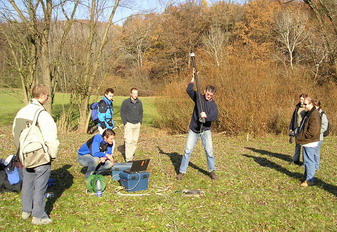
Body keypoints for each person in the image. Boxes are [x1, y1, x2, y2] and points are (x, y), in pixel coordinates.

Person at [12, 84, 60, 225]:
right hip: (40, 155)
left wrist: (21, 151)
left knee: (28, 182)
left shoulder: (21, 112)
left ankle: (26, 210)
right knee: (40, 186)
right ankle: (38, 216)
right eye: (47, 95)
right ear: (43, 95)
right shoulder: (42, 114)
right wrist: (51, 155)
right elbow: (51, 137)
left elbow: (15, 134)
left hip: (25, 154)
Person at [176, 69, 218, 180]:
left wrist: (206, 116)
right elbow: (189, 90)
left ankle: (212, 170)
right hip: (194, 129)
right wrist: (193, 77)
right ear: (205, 91)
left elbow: (214, 117)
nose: (209, 96)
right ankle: (182, 171)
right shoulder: (198, 98)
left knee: (209, 151)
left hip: (205, 130)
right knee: (187, 150)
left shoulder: (213, 105)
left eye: (211, 95)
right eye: (208, 94)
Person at [296, 97, 321, 187]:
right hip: (307, 141)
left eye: (305, 104)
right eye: (303, 104)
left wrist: (303, 136)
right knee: (306, 160)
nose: (304, 106)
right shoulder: (309, 113)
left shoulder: (314, 114)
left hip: (310, 142)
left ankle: (310, 180)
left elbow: (313, 131)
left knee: (309, 161)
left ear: (311, 104)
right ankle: (306, 177)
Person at [120, 88, 143, 162]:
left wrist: (140, 121)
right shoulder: (126, 102)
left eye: (136, 93)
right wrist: (125, 122)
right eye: (134, 93)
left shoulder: (139, 102)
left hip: (137, 124)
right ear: (130, 94)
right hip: (129, 124)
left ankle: (131, 154)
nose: (135, 95)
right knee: (128, 141)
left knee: (135, 141)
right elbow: (122, 112)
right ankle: (128, 159)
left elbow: (141, 112)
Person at [289, 93, 307, 165]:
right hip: (297, 128)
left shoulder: (307, 108)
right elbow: (293, 118)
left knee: (304, 145)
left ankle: (305, 162)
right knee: (297, 145)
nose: (301, 100)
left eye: (302, 99)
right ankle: (296, 160)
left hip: (303, 128)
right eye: (300, 99)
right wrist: (291, 128)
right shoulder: (297, 107)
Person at [313, 100, 328, 171]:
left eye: (315, 106)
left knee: (316, 152)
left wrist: (318, 132)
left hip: (319, 137)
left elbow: (325, 126)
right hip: (312, 137)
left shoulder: (322, 114)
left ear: (318, 106)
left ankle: (316, 166)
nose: (314, 107)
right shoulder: (311, 113)